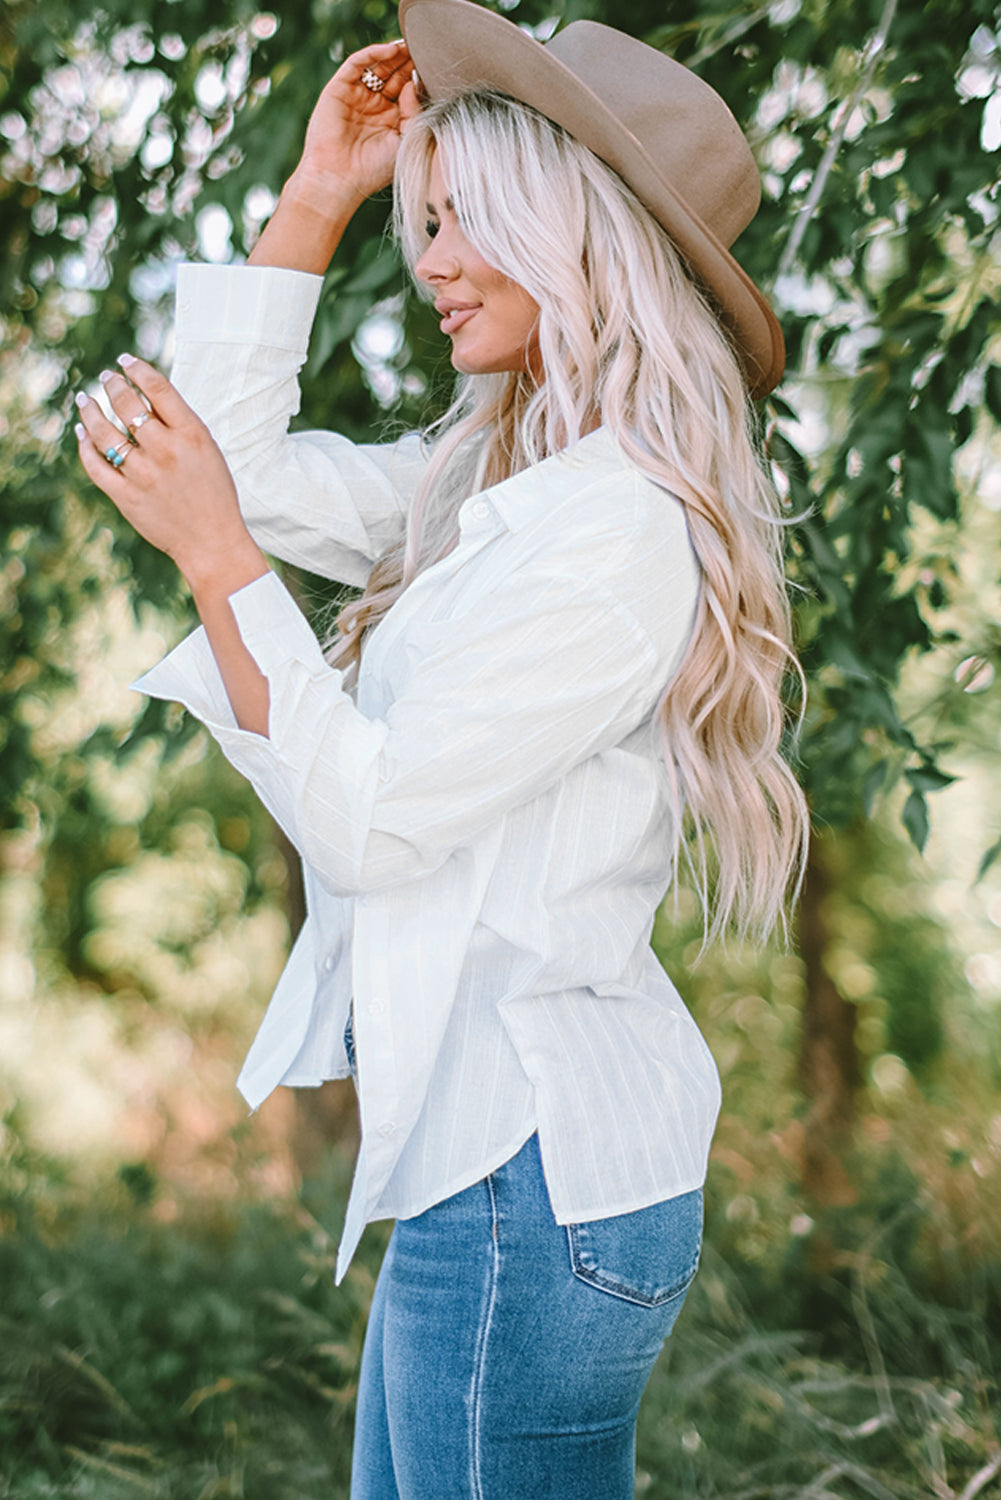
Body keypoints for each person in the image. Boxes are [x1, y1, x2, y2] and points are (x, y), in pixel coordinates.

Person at [74, 1, 809, 1493]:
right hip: (491, 1173)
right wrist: (314, 197)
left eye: (472, 222)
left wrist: (223, 566)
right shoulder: (497, 475)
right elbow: (247, 470)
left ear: (583, 239)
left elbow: (369, 820)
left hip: (530, 1189)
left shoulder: (614, 537)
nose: (429, 263)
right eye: (423, 217)